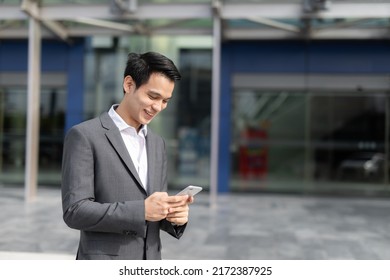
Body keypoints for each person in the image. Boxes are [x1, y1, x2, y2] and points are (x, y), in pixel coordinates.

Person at [61, 52, 193, 260]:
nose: (158, 107)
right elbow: (75, 211)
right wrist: (141, 210)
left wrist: (174, 217)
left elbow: (153, 209)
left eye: (165, 101)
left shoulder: (158, 143)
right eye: (153, 96)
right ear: (129, 84)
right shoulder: (85, 135)